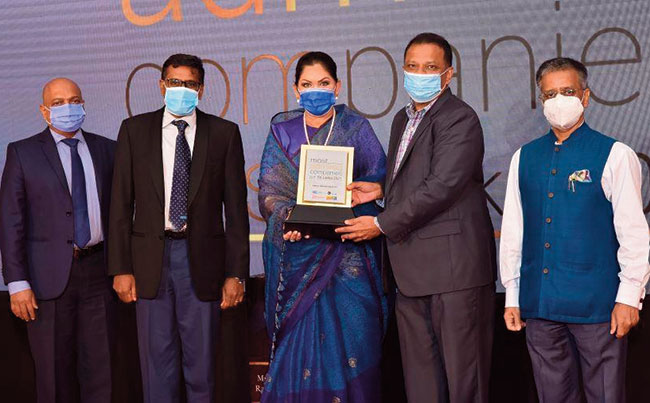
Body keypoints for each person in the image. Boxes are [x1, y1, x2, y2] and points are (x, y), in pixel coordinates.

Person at [336, 33, 497, 402]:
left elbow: (443, 185)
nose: (419, 74)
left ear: (448, 74)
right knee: (422, 387)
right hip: (410, 274)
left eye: (429, 68)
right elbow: (415, 178)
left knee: (465, 385)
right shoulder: (402, 119)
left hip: (453, 274)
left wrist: (380, 223)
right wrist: (381, 190)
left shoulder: (459, 118)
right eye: (412, 66)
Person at [500, 57, 650, 403]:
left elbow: (633, 233)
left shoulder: (615, 154)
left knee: (605, 396)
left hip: (598, 308)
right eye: (550, 94)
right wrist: (513, 296)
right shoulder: (524, 157)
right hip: (540, 307)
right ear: (541, 100)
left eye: (567, 92)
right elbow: (514, 230)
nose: (558, 101)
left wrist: (629, 297)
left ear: (585, 96)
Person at [108, 54, 250, 403]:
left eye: (189, 84)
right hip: (149, 263)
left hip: (201, 263)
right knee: (157, 369)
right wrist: (121, 268)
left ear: (201, 89)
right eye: (174, 82)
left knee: (201, 370)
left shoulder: (224, 134)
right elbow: (120, 206)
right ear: (162, 86)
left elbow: (236, 213)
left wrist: (236, 273)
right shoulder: (134, 130)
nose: (181, 89)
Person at [258, 51, 388, 402]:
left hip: (349, 258)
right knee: (299, 352)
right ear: (296, 90)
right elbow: (270, 191)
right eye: (307, 84)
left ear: (337, 86)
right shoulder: (282, 131)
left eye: (324, 83)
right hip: (299, 253)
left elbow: (379, 179)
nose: (316, 90)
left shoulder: (355, 128)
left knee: (355, 342)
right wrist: (289, 219)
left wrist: (359, 201)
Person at [0, 78, 116, 403]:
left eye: (75, 100)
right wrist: (17, 283)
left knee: (101, 372)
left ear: (84, 104)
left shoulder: (108, 149)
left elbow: (120, 215)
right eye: (58, 102)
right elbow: (10, 221)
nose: (69, 108)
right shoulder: (22, 153)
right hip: (45, 282)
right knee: (53, 376)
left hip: (100, 274)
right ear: (44, 111)